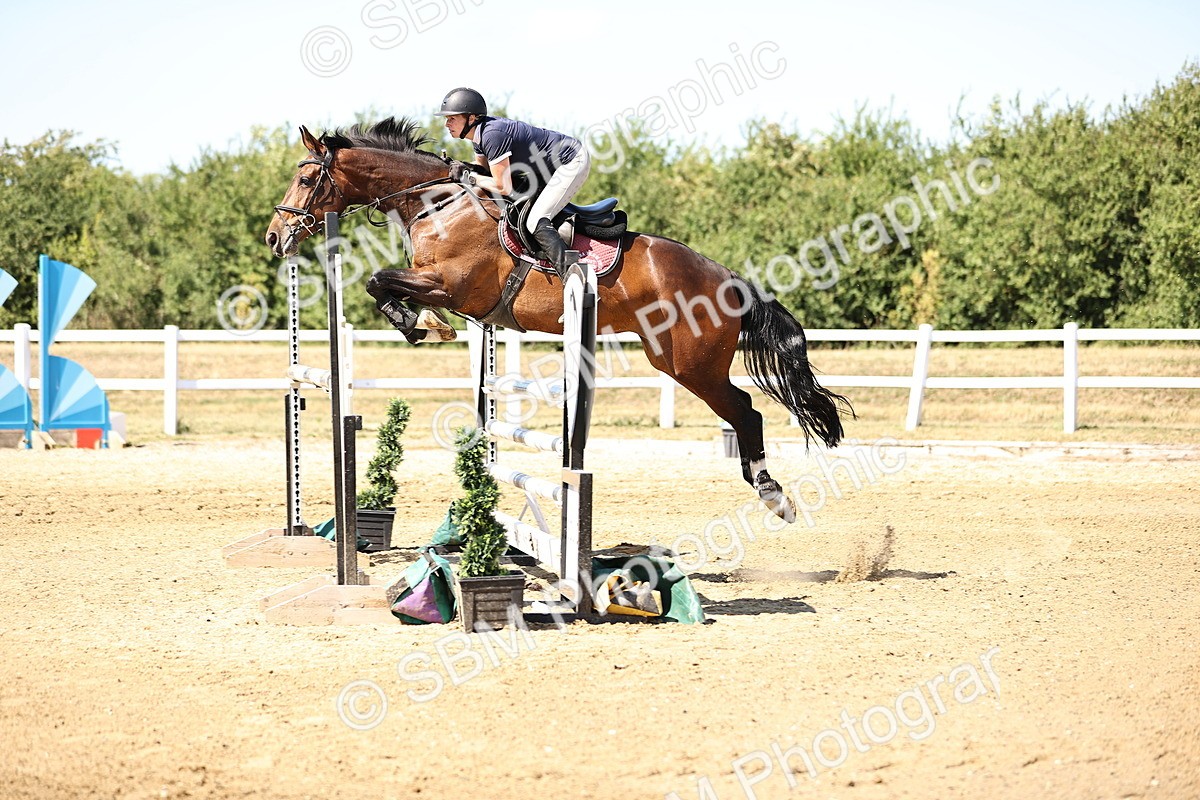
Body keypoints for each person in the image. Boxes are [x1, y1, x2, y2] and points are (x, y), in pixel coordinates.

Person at [435, 87, 590, 278]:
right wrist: (462, 167)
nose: (446, 124)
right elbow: (482, 169)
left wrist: (468, 176)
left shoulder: (492, 135)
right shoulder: (479, 136)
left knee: (536, 220)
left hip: (571, 161)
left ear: (471, 118)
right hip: (547, 168)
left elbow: (503, 186)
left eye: (452, 118)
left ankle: (575, 278)